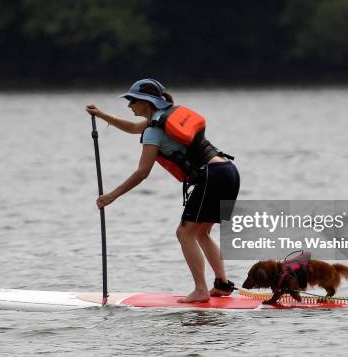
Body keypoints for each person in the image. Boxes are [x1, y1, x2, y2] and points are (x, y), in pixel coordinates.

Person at [85, 78, 240, 303]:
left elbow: (142, 172)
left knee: (184, 233)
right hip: (227, 170)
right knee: (201, 232)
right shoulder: (162, 117)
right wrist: (101, 115)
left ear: (147, 103)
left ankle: (200, 290)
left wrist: (112, 196)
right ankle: (222, 284)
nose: (129, 106)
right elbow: (132, 127)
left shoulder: (154, 130)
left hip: (211, 176)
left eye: (132, 101)